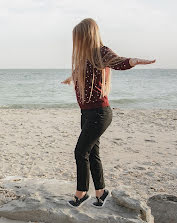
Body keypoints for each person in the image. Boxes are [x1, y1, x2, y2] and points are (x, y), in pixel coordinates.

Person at [61, 18, 155, 208]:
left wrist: (133, 61)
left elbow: (117, 62)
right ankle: (101, 192)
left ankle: (81, 194)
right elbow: (82, 71)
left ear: (87, 36)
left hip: (99, 113)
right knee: (92, 152)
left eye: (78, 37)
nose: (76, 42)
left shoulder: (101, 52)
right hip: (87, 113)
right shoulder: (86, 57)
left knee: (81, 152)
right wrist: (70, 79)